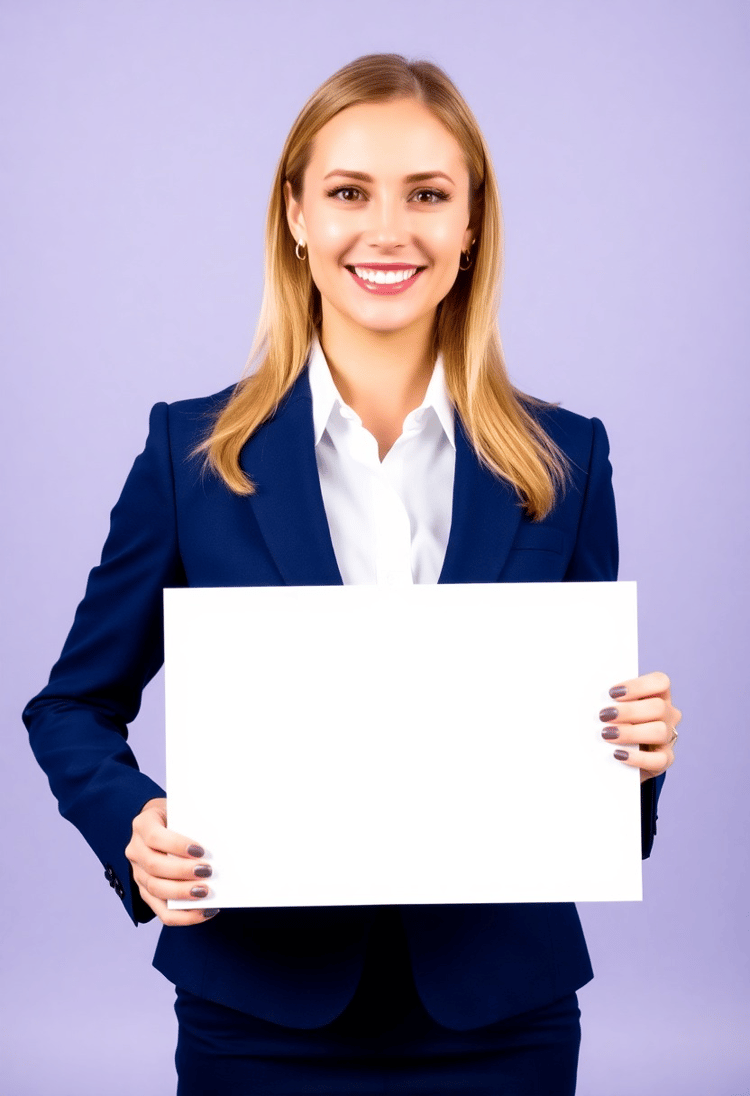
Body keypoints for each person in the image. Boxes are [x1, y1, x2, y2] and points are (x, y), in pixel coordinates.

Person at [23, 54, 680, 1095]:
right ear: (295, 215)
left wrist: (638, 760)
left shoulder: (565, 460)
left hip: (502, 1012)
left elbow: (592, 794)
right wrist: (133, 825)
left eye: (427, 194)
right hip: (260, 1008)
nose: (388, 230)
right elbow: (71, 705)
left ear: (471, 224)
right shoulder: (192, 456)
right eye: (347, 192)